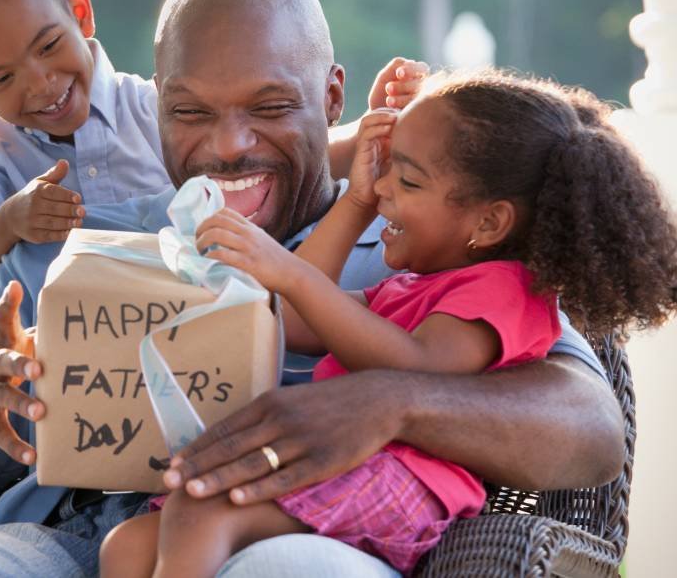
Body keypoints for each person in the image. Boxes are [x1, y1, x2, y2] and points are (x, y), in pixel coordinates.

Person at [0, 0, 624, 578]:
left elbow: (591, 430)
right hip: (58, 545)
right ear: (155, 109)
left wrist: (392, 402)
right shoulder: (69, 244)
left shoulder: (419, 250)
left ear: (330, 100)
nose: (228, 146)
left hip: (294, 535)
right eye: (190, 112)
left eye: (267, 107)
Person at [99, 71, 677, 577]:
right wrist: (354, 204)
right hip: (353, 469)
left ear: (490, 221)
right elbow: (298, 321)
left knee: (201, 509)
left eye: (409, 180)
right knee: (128, 545)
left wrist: (291, 274)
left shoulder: (505, 291)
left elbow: (417, 368)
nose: (384, 192)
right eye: (387, 173)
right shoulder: (411, 289)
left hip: (403, 482)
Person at [0, 0, 427, 312]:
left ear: (81, 12)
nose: (41, 83)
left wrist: (380, 128)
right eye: (2, 79)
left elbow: (290, 158)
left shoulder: (147, 107)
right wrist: (9, 225)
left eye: (48, 47)